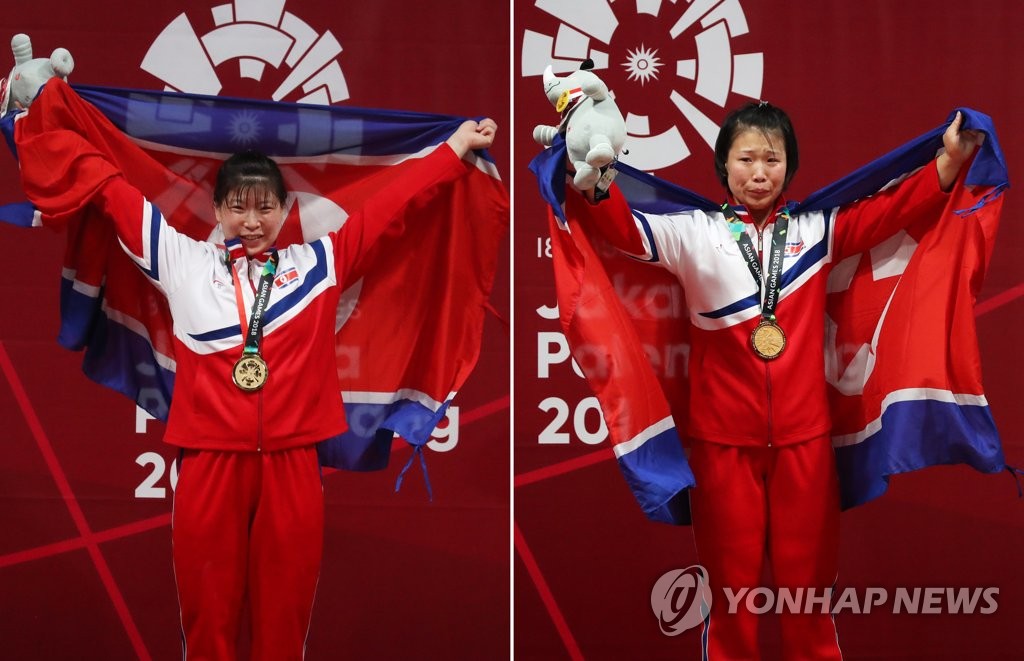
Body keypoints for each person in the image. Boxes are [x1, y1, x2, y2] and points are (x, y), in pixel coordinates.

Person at [15, 88, 496, 660]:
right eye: (238, 207)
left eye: (265, 207)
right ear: (218, 212)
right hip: (208, 461)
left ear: (285, 211)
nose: (252, 220)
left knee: (283, 628)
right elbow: (109, 189)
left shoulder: (319, 264)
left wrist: (456, 147)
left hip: (293, 463)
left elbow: (393, 204)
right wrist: (40, 115)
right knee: (208, 622)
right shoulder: (182, 260)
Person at [569, 102, 981, 660]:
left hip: (805, 448)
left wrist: (947, 167)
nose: (759, 173)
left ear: (790, 165)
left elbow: (888, 212)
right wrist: (594, 187)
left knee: (809, 608)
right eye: (745, 159)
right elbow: (622, 229)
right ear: (723, 166)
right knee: (731, 607)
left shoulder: (818, 229)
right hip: (722, 448)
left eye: (772, 158)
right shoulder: (693, 234)